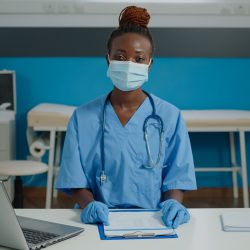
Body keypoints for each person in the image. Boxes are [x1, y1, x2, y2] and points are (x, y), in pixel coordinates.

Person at [56, 5, 197, 229]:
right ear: (108, 60)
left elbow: (177, 176)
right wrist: (90, 205)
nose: (129, 65)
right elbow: (74, 179)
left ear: (150, 65)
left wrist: (172, 204)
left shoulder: (169, 116)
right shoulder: (83, 117)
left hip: (154, 219)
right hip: (98, 221)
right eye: (120, 57)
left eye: (139, 59)